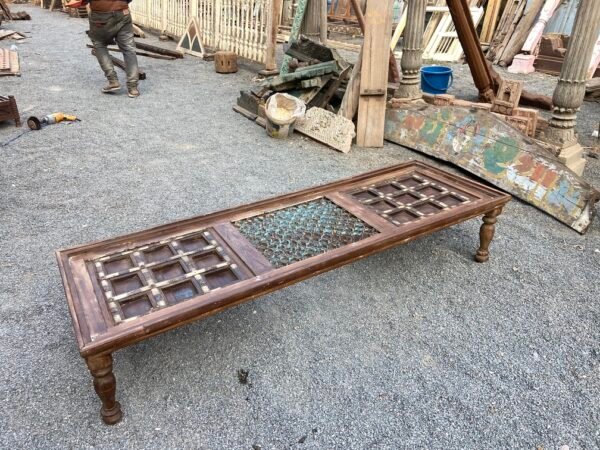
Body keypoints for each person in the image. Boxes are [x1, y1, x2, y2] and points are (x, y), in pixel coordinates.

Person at [84, 0, 140, 97]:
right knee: (128, 49)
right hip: (123, 12)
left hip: (100, 15)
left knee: (99, 44)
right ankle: (133, 87)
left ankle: (113, 81)